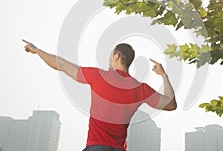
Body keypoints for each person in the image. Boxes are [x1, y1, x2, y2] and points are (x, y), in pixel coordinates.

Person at [22, 39, 177, 151]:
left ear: (116, 56)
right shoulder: (140, 89)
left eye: (111, 56)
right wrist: (164, 76)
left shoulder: (99, 76)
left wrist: (37, 51)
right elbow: (171, 104)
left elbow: (60, 64)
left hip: (97, 147)